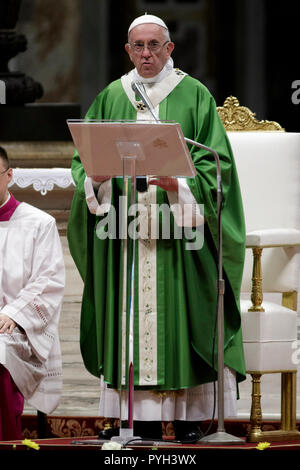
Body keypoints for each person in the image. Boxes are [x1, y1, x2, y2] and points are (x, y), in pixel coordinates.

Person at [67, 14, 246, 441]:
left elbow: (216, 165)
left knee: (180, 319)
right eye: (138, 46)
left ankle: (187, 422)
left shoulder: (194, 95)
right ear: (127, 51)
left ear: (170, 49)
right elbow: (84, 160)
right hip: (126, 235)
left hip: (178, 238)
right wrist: (97, 179)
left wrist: (180, 186)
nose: (146, 54)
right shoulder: (112, 96)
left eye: (154, 45)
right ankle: (139, 421)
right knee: (130, 322)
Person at [0, 146, 65, 440]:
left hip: (18, 331)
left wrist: (13, 313)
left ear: (9, 175)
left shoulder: (39, 223)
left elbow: (48, 280)